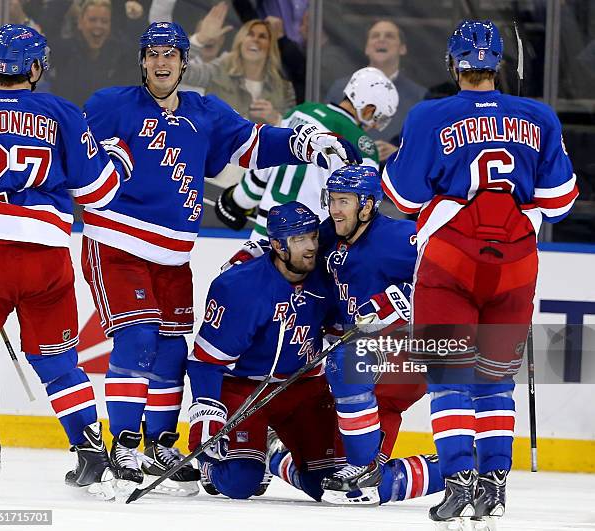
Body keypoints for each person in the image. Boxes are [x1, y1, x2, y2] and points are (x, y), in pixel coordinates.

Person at [81, 21, 360, 497]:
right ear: (143, 60)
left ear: (184, 60)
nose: (162, 62)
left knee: (171, 348)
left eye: (171, 53)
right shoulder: (110, 105)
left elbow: (256, 145)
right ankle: (124, 444)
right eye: (153, 54)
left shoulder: (205, 113)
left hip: (174, 252)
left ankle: (161, 443)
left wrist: (306, 145)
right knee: (139, 337)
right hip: (118, 242)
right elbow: (67, 150)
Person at [383, 20, 578, 529]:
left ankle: (457, 481)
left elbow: (403, 197)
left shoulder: (430, 115)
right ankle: (494, 482)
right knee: (494, 379)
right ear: (498, 65)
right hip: (515, 263)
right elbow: (560, 200)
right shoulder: (539, 116)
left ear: (454, 64)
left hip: (451, 258)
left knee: (450, 376)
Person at [0, 24, 133, 499]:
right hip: (47, 256)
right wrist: (119, 159)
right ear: (33, 67)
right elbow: (99, 193)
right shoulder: (63, 113)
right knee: (60, 363)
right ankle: (91, 454)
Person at [187, 201, 342, 501]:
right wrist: (205, 417)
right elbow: (205, 362)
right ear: (277, 245)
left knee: (326, 487)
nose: (310, 246)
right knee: (240, 484)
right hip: (245, 390)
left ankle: (274, 454)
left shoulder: (327, 273)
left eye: (312, 236)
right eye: (299, 240)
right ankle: (212, 465)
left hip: (304, 386)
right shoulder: (241, 288)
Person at [314, 165, 442, 505]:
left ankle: (360, 464)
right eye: (332, 200)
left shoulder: (401, 238)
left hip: (411, 350)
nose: (335, 210)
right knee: (344, 490)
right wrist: (257, 256)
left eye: (344, 201)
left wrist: (397, 299)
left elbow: (449, 277)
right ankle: (459, 468)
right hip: (371, 369)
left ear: (368, 205)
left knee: (346, 361)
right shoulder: (331, 235)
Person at [215, 66, 397, 236]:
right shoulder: (362, 144)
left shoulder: (299, 112)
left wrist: (238, 201)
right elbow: (361, 207)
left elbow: (264, 166)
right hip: (309, 246)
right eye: (377, 118)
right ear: (368, 109)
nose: (374, 125)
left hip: (265, 234)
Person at [326, 19, 426, 163]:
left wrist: (399, 153)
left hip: (392, 178)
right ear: (366, 48)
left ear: (402, 48)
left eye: (389, 36)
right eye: (375, 36)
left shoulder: (418, 96)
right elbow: (327, 129)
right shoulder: (340, 88)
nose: (381, 40)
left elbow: (425, 147)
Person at [187, 15, 295, 125]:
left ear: (270, 47)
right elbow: (182, 73)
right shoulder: (219, 70)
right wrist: (200, 39)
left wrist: (276, 119)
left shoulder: (284, 89)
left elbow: (294, 134)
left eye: (262, 36)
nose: (255, 40)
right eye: (250, 34)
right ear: (241, 42)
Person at [46, 0, 136, 106]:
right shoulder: (64, 50)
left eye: (104, 21)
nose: (98, 26)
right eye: (92, 20)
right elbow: (49, 27)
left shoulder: (121, 55)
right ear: (80, 22)